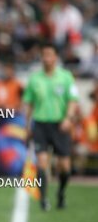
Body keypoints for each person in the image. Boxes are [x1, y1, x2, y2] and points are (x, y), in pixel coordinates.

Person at [24, 42, 79, 211]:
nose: (46, 58)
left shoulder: (66, 77)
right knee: (41, 162)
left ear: (55, 57)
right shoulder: (34, 79)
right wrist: (27, 126)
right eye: (44, 55)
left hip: (60, 124)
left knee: (65, 167)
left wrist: (68, 118)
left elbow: (72, 100)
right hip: (40, 124)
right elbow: (29, 104)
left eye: (49, 55)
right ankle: (43, 199)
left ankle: (61, 193)